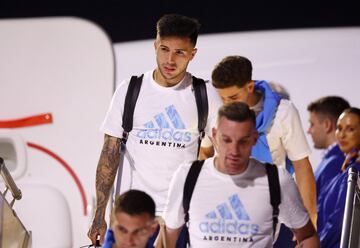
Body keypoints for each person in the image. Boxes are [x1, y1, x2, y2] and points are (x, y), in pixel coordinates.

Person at [88, 14, 223, 245]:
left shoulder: (205, 95)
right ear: (155, 46)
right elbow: (108, 156)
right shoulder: (131, 90)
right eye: (164, 49)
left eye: (179, 52)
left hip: (175, 223)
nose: (170, 59)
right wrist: (99, 214)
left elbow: (222, 153)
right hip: (127, 220)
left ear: (193, 53)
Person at [162, 102, 320, 247]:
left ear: (255, 139)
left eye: (243, 141)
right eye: (227, 140)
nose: (234, 151)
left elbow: (307, 236)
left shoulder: (277, 180)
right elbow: (167, 236)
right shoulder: (188, 175)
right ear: (215, 136)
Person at [211, 56, 317, 226]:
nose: (226, 104)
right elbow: (205, 154)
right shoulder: (216, 111)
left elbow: (302, 166)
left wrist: (309, 221)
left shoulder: (284, 112)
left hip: (276, 213)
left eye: (233, 97)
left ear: (250, 86)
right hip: (228, 213)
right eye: (222, 98)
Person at [317, 107, 360, 247]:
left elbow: (341, 219)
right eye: (339, 128)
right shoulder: (345, 168)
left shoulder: (355, 170)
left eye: (350, 129)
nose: (342, 135)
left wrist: (317, 243)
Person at [307, 96, 350, 197]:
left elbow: (325, 210)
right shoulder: (333, 160)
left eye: (312, 124)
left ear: (327, 125)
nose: (308, 131)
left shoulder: (337, 162)